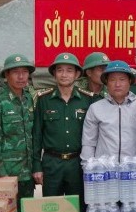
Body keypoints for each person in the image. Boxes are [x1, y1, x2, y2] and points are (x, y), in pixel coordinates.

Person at [33, 53, 93, 196]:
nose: (64, 74)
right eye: (60, 70)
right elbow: (36, 135)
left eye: (69, 70)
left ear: (77, 74)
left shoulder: (87, 100)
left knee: (78, 206)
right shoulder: (43, 100)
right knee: (52, 206)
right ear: (54, 74)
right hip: (52, 164)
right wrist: (36, 166)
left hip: (77, 164)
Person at [0, 54, 38, 198]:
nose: (21, 76)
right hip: (6, 173)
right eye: (15, 72)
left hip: (27, 173)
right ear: (6, 75)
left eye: (25, 72)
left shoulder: (28, 98)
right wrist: (0, 173)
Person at [81, 60, 136, 160]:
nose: (117, 84)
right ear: (106, 83)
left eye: (122, 79)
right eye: (112, 80)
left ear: (129, 81)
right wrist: (87, 165)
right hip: (104, 167)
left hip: (133, 166)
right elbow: (89, 142)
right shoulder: (95, 108)